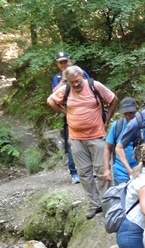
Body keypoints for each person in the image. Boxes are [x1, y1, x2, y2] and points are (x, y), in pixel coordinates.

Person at [46, 66, 118, 219]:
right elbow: (50, 100)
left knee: (102, 171)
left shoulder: (94, 86)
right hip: (76, 138)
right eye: (72, 82)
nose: (76, 85)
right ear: (68, 81)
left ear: (82, 77)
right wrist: (65, 112)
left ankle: (108, 204)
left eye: (78, 81)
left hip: (97, 136)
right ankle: (94, 204)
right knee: (84, 173)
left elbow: (113, 100)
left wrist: (106, 121)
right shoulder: (65, 89)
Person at [51, 51, 89, 185]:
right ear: (57, 64)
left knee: (89, 139)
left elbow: (90, 85)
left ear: (70, 61)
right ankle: (74, 172)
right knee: (71, 143)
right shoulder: (57, 78)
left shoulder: (80, 72)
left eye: (65, 61)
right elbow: (54, 95)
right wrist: (63, 79)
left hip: (87, 112)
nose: (64, 64)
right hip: (70, 114)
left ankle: (90, 169)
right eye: (61, 62)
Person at [103, 97, 138, 186]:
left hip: (140, 170)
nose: (128, 116)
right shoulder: (117, 126)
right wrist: (106, 169)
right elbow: (107, 148)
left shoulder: (142, 124)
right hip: (121, 172)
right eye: (126, 114)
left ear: (137, 108)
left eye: (131, 113)